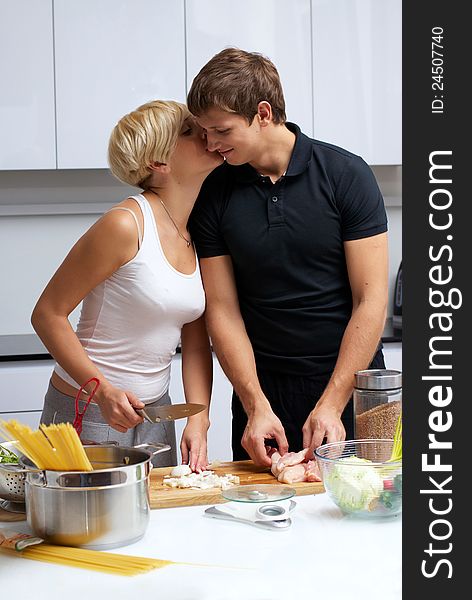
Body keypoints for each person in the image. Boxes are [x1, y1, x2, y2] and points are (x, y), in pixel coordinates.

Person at [187, 48, 389, 467]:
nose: (210, 143)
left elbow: (370, 301)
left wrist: (333, 403)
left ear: (262, 113)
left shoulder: (346, 175)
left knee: (366, 510)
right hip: (262, 393)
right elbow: (221, 310)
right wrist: (254, 403)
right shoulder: (214, 194)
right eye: (203, 131)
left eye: (221, 130)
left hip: (350, 384)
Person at [31, 100, 223, 469]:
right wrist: (101, 391)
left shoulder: (197, 230)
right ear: (158, 163)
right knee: (86, 526)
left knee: (159, 521)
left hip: (156, 412)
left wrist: (199, 417)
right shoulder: (124, 225)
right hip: (89, 408)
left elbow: (196, 340)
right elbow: (47, 315)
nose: (205, 133)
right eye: (188, 131)